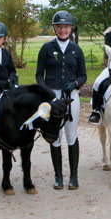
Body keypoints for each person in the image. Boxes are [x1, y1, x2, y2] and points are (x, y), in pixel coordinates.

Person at [36, 11, 87, 190]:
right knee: (55, 137)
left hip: (71, 97)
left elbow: (83, 75)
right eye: (59, 27)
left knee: (71, 135)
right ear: (55, 28)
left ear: (70, 28)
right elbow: (38, 75)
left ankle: (74, 176)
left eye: (66, 27)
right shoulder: (47, 49)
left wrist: (74, 83)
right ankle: (58, 176)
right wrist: (47, 92)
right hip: (52, 97)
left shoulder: (76, 50)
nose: (63, 30)